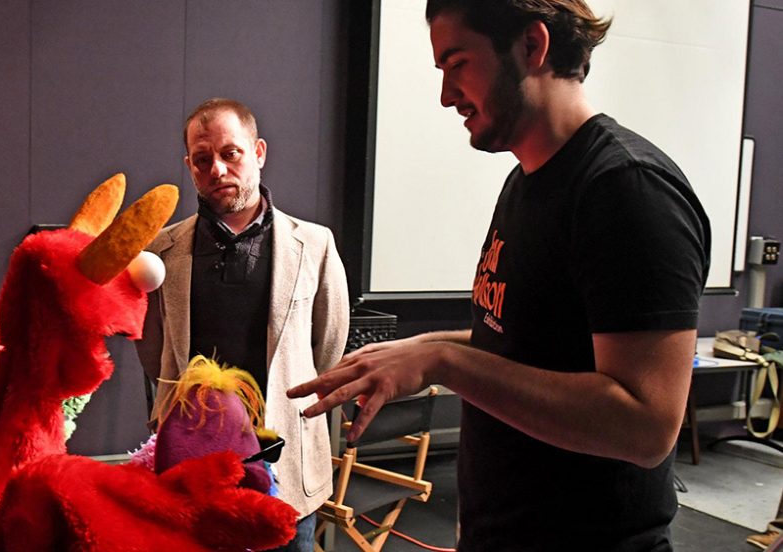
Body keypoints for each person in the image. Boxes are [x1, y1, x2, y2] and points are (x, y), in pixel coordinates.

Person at [288, 1, 711, 551]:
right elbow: (531, 345)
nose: (445, 95)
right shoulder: (527, 182)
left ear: (533, 46)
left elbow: (646, 426)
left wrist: (443, 360)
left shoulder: (627, 190)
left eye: (457, 63)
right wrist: (421, 347)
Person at [136, 97, 350, 552]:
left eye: (230, 153)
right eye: (202, 159)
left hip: (284, 460)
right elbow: (153, 351)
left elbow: (327, 349)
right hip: (194, 460)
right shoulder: (162, 251)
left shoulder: (314, 245)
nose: (216, 169)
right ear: (190, 166)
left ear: (258, 152)